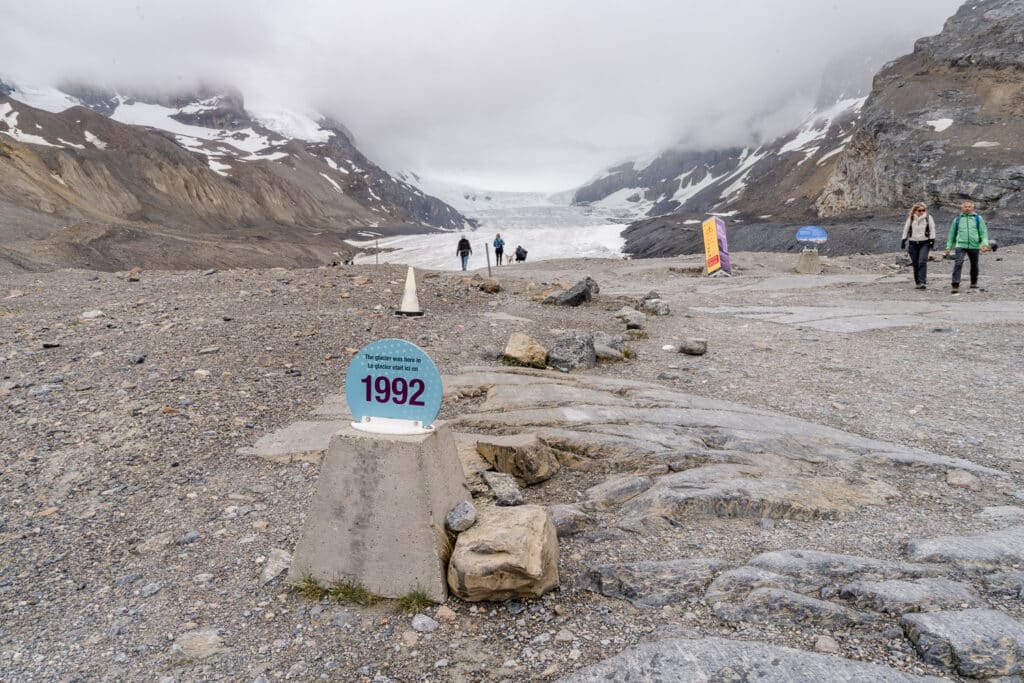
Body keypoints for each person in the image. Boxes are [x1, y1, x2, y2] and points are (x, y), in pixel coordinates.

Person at [945, 200, 990, 294]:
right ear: (962, 208)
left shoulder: (978, 218)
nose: (967, 208)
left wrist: (985, 244)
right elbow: (952, 234)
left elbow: (983, 232)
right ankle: (955, 284)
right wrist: (948, 247)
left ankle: (973, 282)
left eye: (969, 206)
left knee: (974, 264)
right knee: (958, 263)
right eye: (965, 206)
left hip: (974, 245)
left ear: (973, 208)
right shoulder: (957, 219)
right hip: (960, 245)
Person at [901, 202, 936, 289]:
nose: (921, 212)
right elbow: (906, 229)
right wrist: (903, 240)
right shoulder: (911, 218)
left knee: (922, 262)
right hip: (913, 243)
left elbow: (932, 228)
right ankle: (917, 282)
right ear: (915, 210)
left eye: (923, 210)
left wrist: (932, 240)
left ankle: (922, 282)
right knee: (915, 263)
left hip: (924, 243)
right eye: (919, 210)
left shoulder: (928, 218)